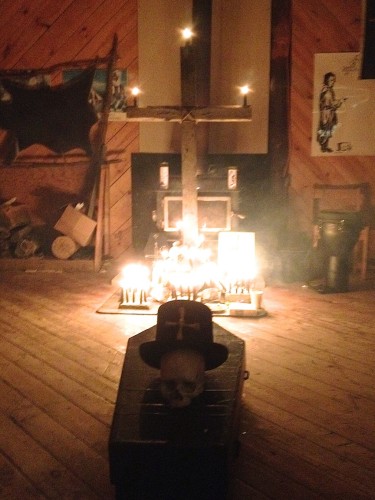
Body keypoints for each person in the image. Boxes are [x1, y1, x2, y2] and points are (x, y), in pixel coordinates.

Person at [316, 72, 347, 152]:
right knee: (326, 130)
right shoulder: (327, 92)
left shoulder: (328, 90)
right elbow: (331, 104)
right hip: (327, 114)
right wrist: (340, 101)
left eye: (334, 80)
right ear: (326, 80)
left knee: (327, 130)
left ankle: (325, 147)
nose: (333, 82)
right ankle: (323, 147)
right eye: (331, 80)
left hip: (327, 113)